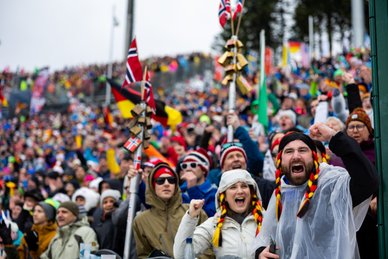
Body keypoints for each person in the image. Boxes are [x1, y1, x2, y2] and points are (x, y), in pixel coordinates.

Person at [254, 122, 378, 259]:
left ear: (314, 158)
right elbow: (265, 237)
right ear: (280, 161)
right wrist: (260, 252)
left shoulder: (332, 185)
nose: (296, 156)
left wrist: (333, 136)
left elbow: (367, 181)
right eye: (289, 151)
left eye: (302, 150)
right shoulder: (281, 192)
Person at [173, 169, 264, 258]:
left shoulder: (266, 220)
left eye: (244, 186)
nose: (240, 191)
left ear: (252, 192)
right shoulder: (213, 225)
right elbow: (181, 254)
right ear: (224, 196)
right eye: (233, 187)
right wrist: (190, 218)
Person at [132, 163, 209, 258]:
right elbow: (143, 255)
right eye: (160, 181)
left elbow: (209, 248)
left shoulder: (194, 212)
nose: (166, 184)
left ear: (176, 185)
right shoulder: (141, 220)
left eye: (171, 180)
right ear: (153, 186)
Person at [179, 148, 217, 216]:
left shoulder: (213, 192)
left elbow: (209, 216)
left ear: (204, 170)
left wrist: (192, 189)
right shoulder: (179, 191)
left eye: (193, 165)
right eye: (184, 166)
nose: (188, 169)